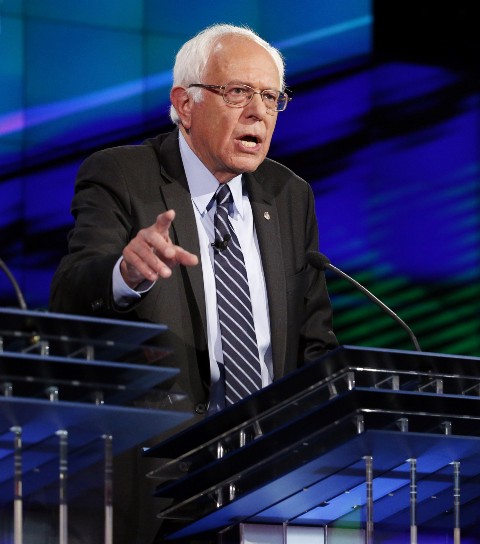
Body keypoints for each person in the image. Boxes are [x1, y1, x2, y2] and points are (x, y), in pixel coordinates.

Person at [49, 23, 338, 543]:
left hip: (270, 484)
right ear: (185, 104)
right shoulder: (122, 174)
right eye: (238, 93)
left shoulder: (290, 195)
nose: (258, 112)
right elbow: (72, 290)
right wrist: (126, 273)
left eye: (271, 97)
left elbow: (312, 340)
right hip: (157, 481)